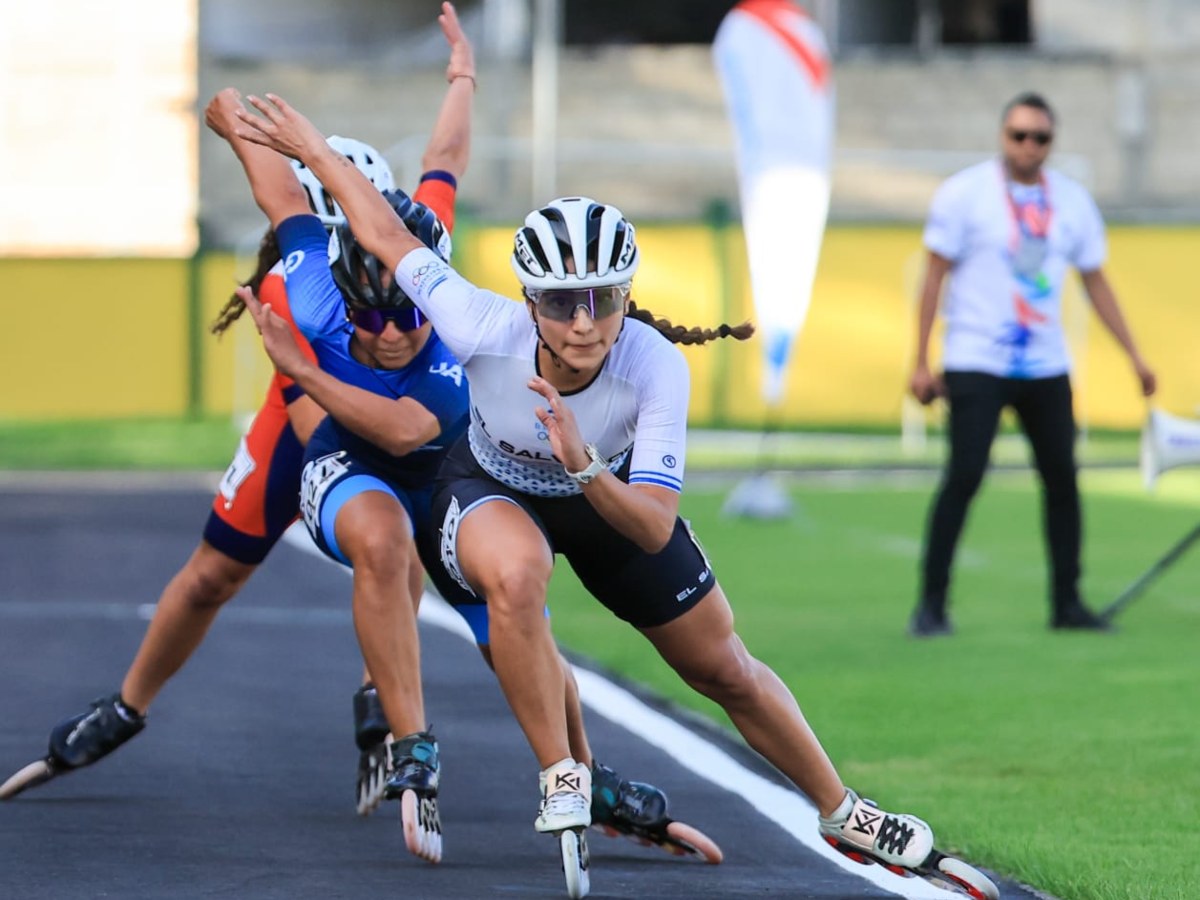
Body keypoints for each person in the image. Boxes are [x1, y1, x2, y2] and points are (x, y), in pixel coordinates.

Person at [227, 91, 1000, 898]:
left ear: (626, 297)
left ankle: (842, 811)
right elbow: (381, 230)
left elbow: (654, 522)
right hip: (492, 486)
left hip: (609, 496)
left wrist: (586, 463)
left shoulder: (654, 364)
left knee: (724, 667)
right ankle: (563, 773)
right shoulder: (482, 324)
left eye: (603, 298)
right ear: (530, 301)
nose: (584, 323)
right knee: (518, 577)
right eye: (562, 302)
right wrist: (310, 148)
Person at [2, 3, 473, 822]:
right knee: (229, 566)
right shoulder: (295, 288)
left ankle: (391, 710)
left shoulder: (415, 243)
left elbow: (444, 159)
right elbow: (322, 441)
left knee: (395, 551)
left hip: (413, 411)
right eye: (349, 236)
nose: (373, 262)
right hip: (321, 415)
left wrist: (462, 73)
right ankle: (127, 704)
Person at [907, 91, 1157, 637]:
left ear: (1052, 142)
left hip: (1045, 362)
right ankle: (931, 604)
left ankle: (1067, 603)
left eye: (1040, 137)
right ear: (1003, 137)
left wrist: (1134, 355)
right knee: (965, 475)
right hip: (976, 358)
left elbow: (1096, 282)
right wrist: (921, 360)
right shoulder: (966, 194)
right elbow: (933, 276)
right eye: (1019, 135)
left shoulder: (1071, 201)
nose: (1029, 146)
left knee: (1063, 480)